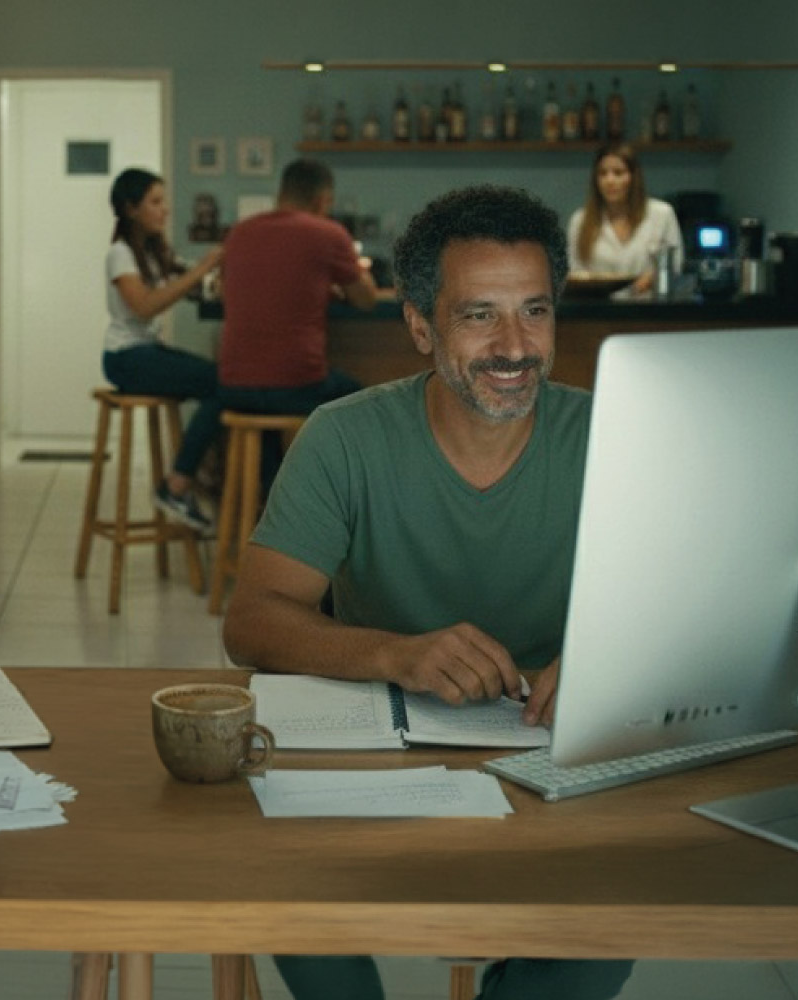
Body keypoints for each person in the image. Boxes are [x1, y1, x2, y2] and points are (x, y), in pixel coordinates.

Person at [223, 184, 632, 1000]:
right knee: (289, 897)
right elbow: (252, 622)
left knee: (611, 920)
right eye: (480, 315)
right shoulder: (344, 435)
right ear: (420, 326)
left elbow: (699, 605)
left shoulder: (618, 436)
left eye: (536, 312)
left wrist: (612, 663)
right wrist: (397, 654)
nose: (515, 346)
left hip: (550, 754)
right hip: (378, 753)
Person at [101, 167, 225, 530]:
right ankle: (179, 482)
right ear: (130, 208)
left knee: (225, 381)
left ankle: (189, 475)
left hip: (146, 352)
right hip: (126, 358)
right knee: (223, 383)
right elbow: (144, 306)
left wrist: (207, 276)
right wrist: (203, 266)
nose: (165, 209)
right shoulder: (120, 254)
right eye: (155, 202)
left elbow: (190, 288)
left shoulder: (154, 254)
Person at [216, 157, 380, 417]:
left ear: (281, 194)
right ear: (323, 200)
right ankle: (325, 460)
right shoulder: (328, 233)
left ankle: (272, 460)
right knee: (363, 402)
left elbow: (225, 291)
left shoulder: (239, 232)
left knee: (264, 436)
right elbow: (366, 299)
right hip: (298, 385)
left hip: (234, 386)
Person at [567, 142, 682, 297]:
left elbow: (675, 265)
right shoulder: (580, 220)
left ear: (634, 177)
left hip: (649, 308)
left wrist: (654, 277)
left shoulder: (662, 214)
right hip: (597, 311)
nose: (610, 180)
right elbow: (574, 272)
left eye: (618, 173)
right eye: (602, 173)